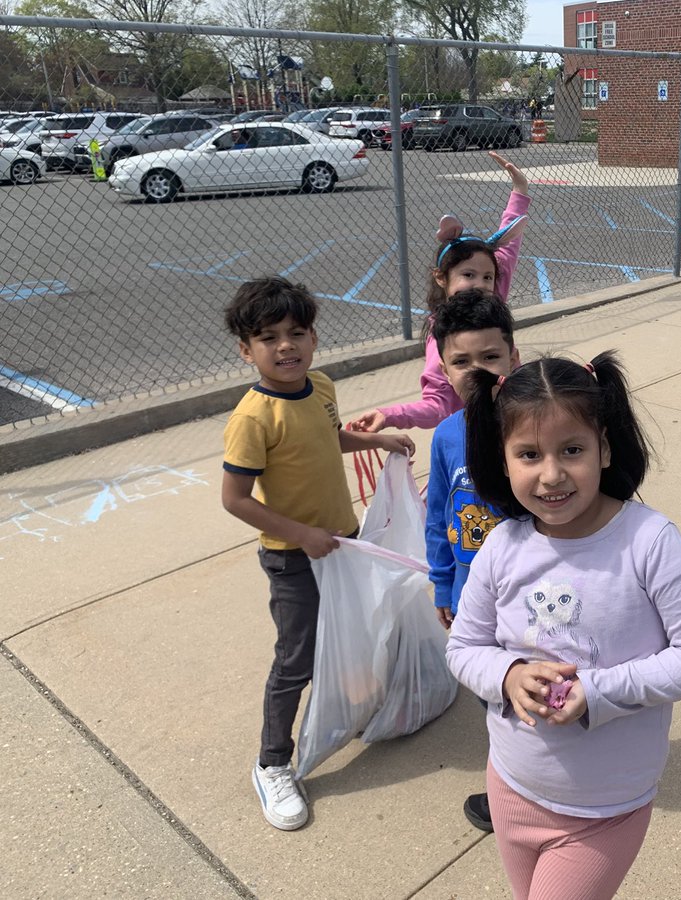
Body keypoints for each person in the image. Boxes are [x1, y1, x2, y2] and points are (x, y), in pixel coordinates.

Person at [446, 353, 681, 900]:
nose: (551, 474)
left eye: (571, 450)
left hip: (604, 809)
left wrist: (597, 691)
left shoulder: (649, 543)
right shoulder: (503, 545)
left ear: (604, 447)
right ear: (503, 460)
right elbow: (464, 646)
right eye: (529, 454)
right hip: (510, 784)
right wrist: (508, 675)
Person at [220, 276, 414, 831]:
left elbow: (328, 439)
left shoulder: (321, 386)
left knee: (355, 635)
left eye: (296, 333)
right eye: (269, 338)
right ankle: (272, 763)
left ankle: (353, 711)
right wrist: (301, 534)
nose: (286, 346)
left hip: (342, 542)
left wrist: (376, 439)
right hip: (293, 559)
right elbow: (235, 499)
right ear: (246, 350)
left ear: (313, 337)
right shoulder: (253, 418)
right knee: (296, 661)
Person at [424, 288, 519, 834]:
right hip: (471, 598)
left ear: (513, 357)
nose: (476, 371)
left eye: (490, 357)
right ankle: (511, 785)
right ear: (443, 367)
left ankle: (531, 784)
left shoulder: (531, 425)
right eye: (461, 361)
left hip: (527, 597)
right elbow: (439, 515)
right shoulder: (444, 437)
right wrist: (442, 584)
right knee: (493, 697)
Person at [346, 151, 529, 434]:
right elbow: (437, 405)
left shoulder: (492, 297)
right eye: (468, 275)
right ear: (441, 278)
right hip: (472, 435)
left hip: (516, 422)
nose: (480, 284)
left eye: (487, 276)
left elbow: (509, 244)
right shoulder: (443, 332)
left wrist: (520, 190)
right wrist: (390, 415)